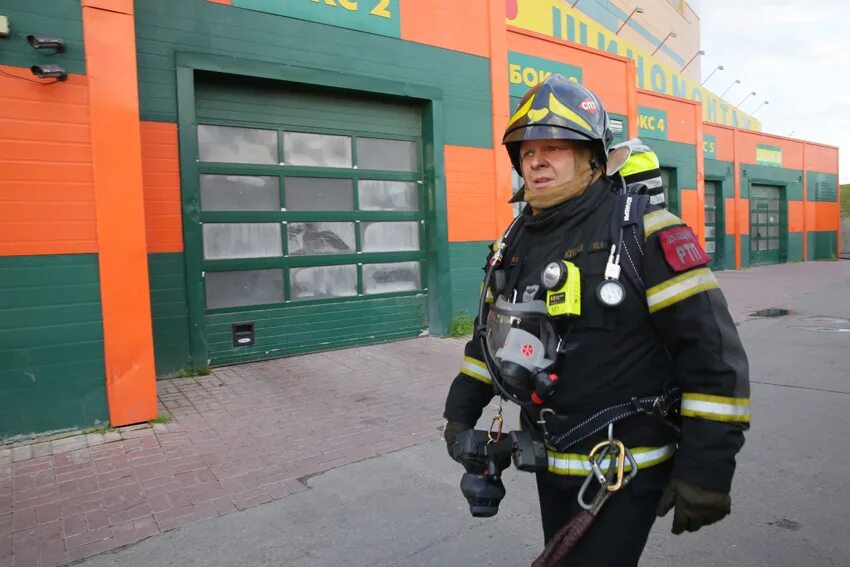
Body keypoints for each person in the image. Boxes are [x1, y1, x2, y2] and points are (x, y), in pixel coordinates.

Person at [442, 75, 750, 566]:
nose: (536, 160)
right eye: (526, 151)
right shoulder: (516, 238)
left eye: (554, 147)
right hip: (548, 458)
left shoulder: (646, 232)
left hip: (623, 467)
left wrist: (707, 469)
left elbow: (712, 358)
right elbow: (491, 337)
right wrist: (460, 411)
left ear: (593, 157)